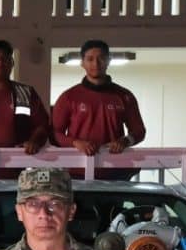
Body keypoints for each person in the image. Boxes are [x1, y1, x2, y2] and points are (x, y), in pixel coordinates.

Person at [51, 39, 146, 179]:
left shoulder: (124, 96)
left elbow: (139, 131)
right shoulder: (69, 97)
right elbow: (54, 133)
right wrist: (75, 143)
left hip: (115, 173)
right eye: (90, 59)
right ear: (82, 63)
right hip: (76, 174)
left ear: (109, 60)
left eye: (101, 58)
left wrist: (125, 141)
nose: (95, 64)